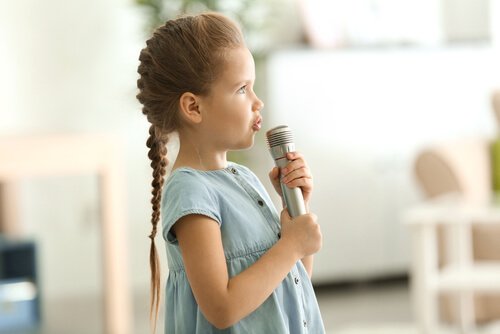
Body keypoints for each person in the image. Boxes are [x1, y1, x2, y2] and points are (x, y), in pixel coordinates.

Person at [136, 12, 325, 333]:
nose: (258, 102)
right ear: (193, 107)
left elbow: (291, 283)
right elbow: (222, 308)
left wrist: (294, 216)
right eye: (242, 89)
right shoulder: (190, 192)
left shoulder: (245, 178)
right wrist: (291, 245)